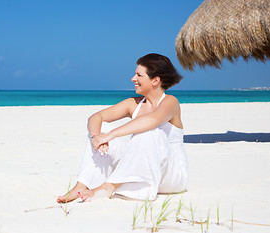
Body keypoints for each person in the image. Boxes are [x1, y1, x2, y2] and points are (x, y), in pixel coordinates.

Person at [57, 53, 188, 203]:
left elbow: (152, 120)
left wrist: (111, 135)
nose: (133, 79)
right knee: (101, 128)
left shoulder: (171, 102)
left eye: (139, 75)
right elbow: (95, 117)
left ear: (155, 80)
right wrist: (98, 138)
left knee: (149, 132)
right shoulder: (134, 103)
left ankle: (108, 187)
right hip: (144, 166)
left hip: (172, 175)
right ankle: (82, 185)